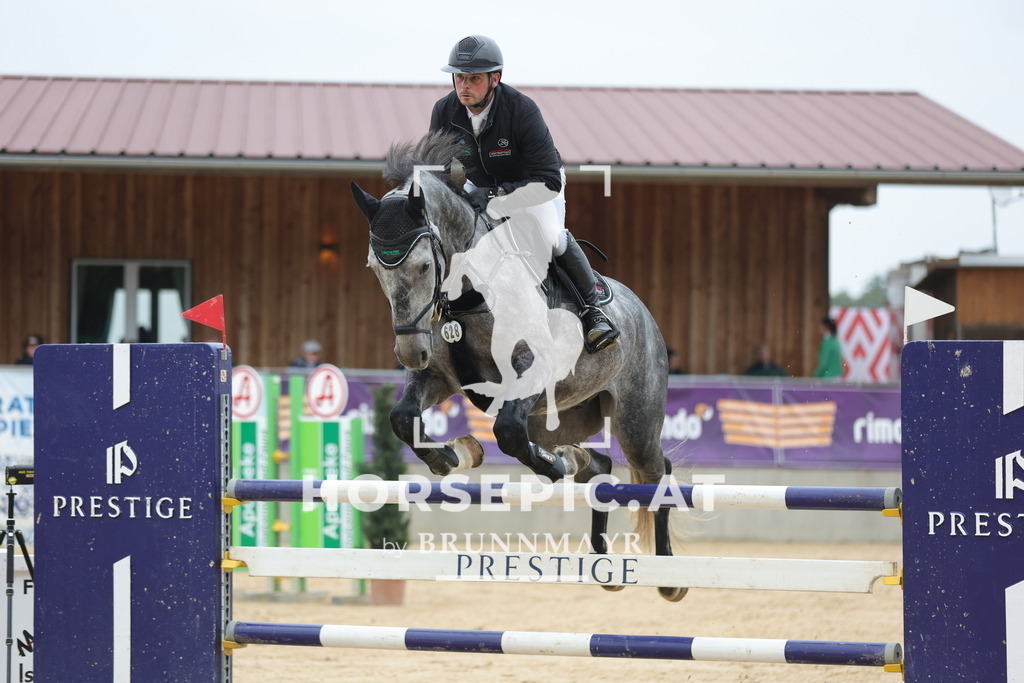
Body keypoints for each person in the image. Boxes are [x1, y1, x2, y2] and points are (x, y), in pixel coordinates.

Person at [428, 35, 619, 354]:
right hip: (482, 185)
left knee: (551, 236)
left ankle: (593, 313)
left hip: (535, 185)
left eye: (474, 78)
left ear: (495, 79)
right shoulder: (444, 111)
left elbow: (547, 181)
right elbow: (436, 170)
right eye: (459, 77)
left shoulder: (521, 110)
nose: (464, 86)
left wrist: (495, 196)